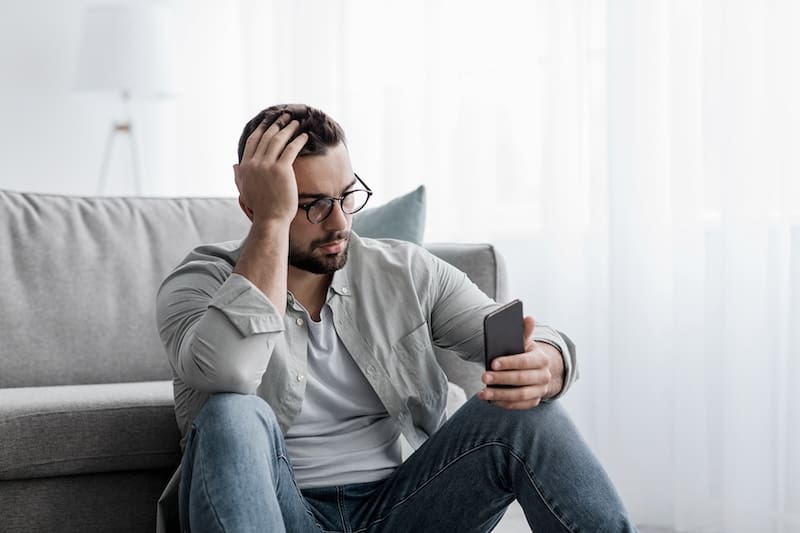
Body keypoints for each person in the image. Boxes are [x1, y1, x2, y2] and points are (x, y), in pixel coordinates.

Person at [156, 103, 637, 532]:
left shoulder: (404, 269)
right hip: (283, 512)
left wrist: (546, 363)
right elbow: (232, 372)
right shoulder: (199, 284)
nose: (341, 221)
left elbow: (518, 333)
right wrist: (272, 224)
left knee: (527, 412)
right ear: (253, 204)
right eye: (313, 205)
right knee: (232, 413)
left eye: (347, 195)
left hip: (404, 507)